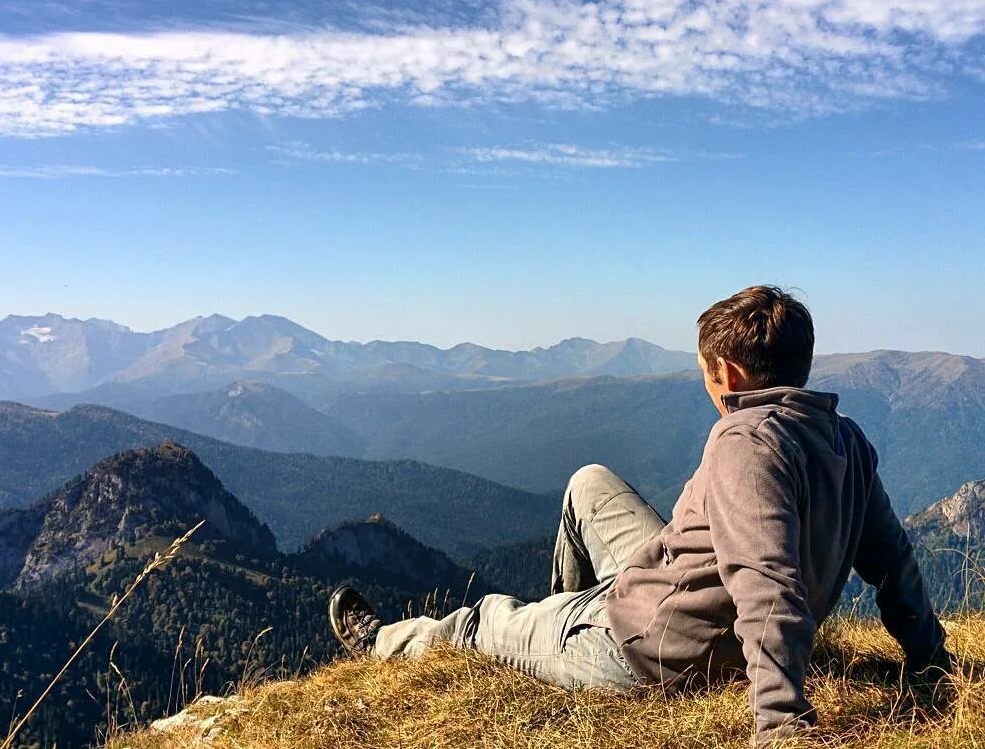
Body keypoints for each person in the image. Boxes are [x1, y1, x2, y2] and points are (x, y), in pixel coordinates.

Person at [327, 285, 950, 745]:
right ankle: (566, 622)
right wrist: (929, 659)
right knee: (588, 484)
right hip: (676, 596)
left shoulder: (742, 441)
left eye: (706, 374)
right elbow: (892, 563)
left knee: (483, 620)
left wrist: (782, 723)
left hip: (651, 650)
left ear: (727, 374)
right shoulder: (845, 439)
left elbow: (767, 582)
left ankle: (383, 644)